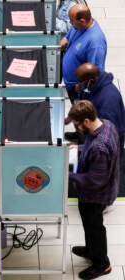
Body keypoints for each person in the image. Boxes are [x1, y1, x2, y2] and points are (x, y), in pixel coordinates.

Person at [68, 100, 119, 280]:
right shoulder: (107, 124)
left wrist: (68, 175)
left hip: (95, 195)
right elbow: (93, 147)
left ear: (87, 121)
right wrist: (80, 148)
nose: (78, 129)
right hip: (96, 192)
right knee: (90, 226)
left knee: (94, 227)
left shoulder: (100, 147)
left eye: (78, 125)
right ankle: (91, 250)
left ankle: (102, 264)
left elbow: (94, 180)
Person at [66, 63, 125, 148]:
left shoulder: (109, 100)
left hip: (108, 144)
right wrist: (70, 117)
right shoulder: (89, 85)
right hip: (91, 136)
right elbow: (80, 101)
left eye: (80, 82)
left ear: (91, 80)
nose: (78, 85)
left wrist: (83, 149)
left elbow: (105, 137)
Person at [61, 4, 107, 104]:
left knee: (81, 117)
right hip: (71, 85)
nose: (70, 23)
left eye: (72, 21)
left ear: (82, 20)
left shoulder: (95, 43)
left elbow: (95, 76)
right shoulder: (78, 26)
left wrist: (78, 88)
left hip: (80, 92)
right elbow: (67, 39)